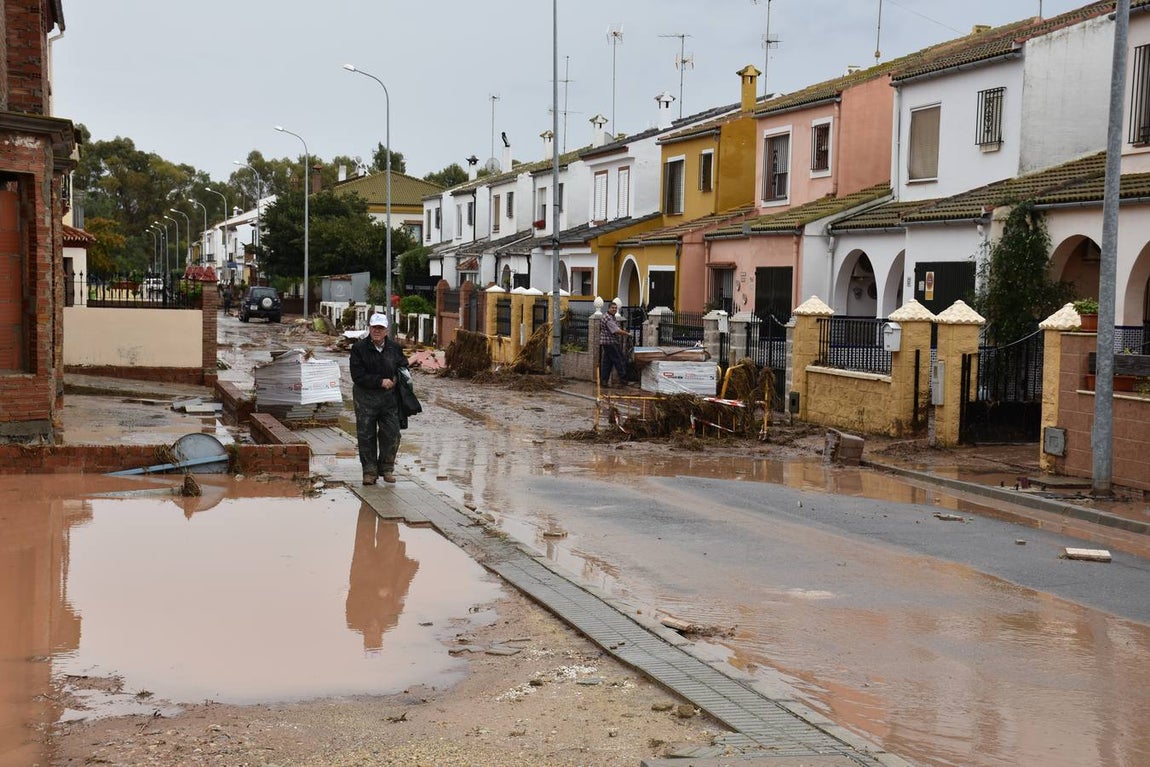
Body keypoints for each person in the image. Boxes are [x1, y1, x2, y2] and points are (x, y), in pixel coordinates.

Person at [349, 312, 409, 485]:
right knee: (366, 434)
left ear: (386, 330)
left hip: (389, 399)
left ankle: (387, 468)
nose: (376, 331)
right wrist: (380, 381)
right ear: (369, 328)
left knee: (392, 433)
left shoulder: (394, 348)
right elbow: (357, 375)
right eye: (374, 327)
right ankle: (369, 471)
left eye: (380, 328)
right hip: (365, 397)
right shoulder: (359, 349)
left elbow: (403, 366)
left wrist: (396, 380)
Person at [599, 301, 631, 388]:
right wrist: (627, 334)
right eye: (612, 308)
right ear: (609, 308)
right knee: (619, 359)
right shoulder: (608, 318)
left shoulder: (610, 316)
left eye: (615, 308)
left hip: (606, 342)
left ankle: (604, 381)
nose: (614, 309)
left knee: (607, 362)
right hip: (610, 342)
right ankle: (623, 379)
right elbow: (616, 330)